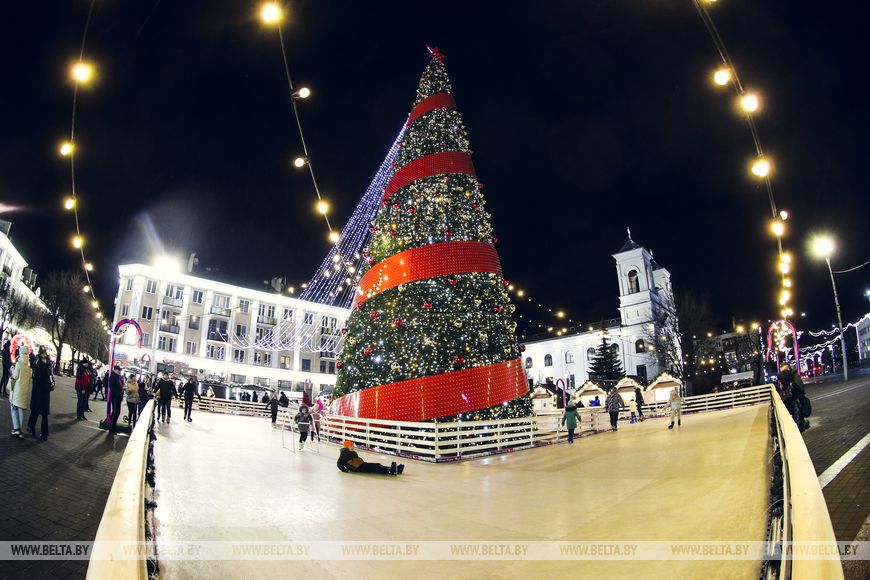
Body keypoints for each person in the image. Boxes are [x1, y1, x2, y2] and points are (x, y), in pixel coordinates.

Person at [27, 347, 53, 441]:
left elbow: (36, 379)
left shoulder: (39, 364)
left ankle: (31, 426)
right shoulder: (48, 364)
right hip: (45, 392)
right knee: (44, 413)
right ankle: (44, 433)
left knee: (35, 410)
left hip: (38, 391)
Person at [337, 440, 403, 475]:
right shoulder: (344, 453)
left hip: (360, 465)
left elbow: (356, 459)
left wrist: (360, 460)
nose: (353, 447)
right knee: (375, 467)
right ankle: (390, 471)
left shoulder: (353, 452)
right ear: (347, 447)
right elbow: (339, 463)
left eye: (353, 446)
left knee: (377, 465)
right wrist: (345, 470)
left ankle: (394, 469)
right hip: (356, 468)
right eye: (351, 446)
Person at [8, 344, 32, 438]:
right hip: (24, 391)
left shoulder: (18, 364)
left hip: (17, 390)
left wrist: (12, 371)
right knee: (21, 409)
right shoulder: (29, 367)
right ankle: (20, 430)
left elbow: (14, 376)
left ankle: (16, 429)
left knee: (13, 408)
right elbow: (30, 379)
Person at [777, 362, 808, 431]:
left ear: (788, 368)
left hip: (795, 399)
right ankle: (800, 425)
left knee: (797, 413)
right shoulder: (791, 377)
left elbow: (800, 389)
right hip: (793, 399)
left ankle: (799, 427)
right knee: (797, 414)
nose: (783, 374)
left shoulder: (794, 377)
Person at [107, 366, 125, 434]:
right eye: (118, 370)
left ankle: (113, 427)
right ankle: (112, 428)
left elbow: (119, 387)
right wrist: (117, 394)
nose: (119, 371)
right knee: (115, 412)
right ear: (115, 370)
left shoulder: (118, 377)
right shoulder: (112, 377)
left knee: (117, 412)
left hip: (118, 397)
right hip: (115, 397)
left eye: (120, 370)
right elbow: (112, 388)